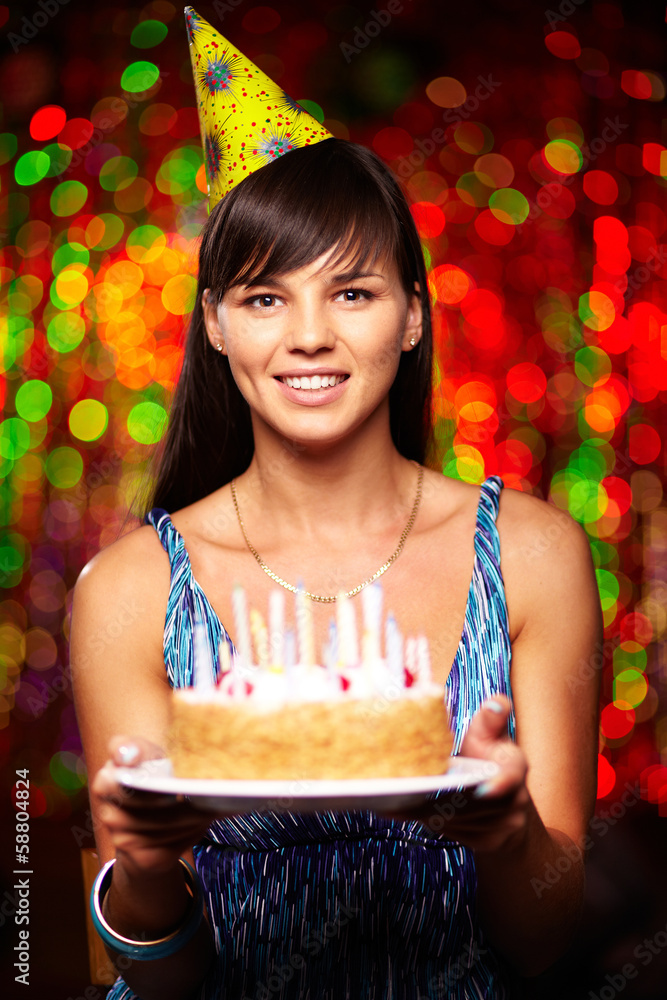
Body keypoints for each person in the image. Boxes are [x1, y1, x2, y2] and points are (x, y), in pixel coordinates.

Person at [70, 15, 601, 1000]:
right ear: (216, 325)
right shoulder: (130, 589)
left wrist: (507, 830)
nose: (309, 335)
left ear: (410, 315)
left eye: (351, 292)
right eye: (266, 298)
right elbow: (157, 979)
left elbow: (541, 943)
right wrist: (142, 872)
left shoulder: (531, 555)